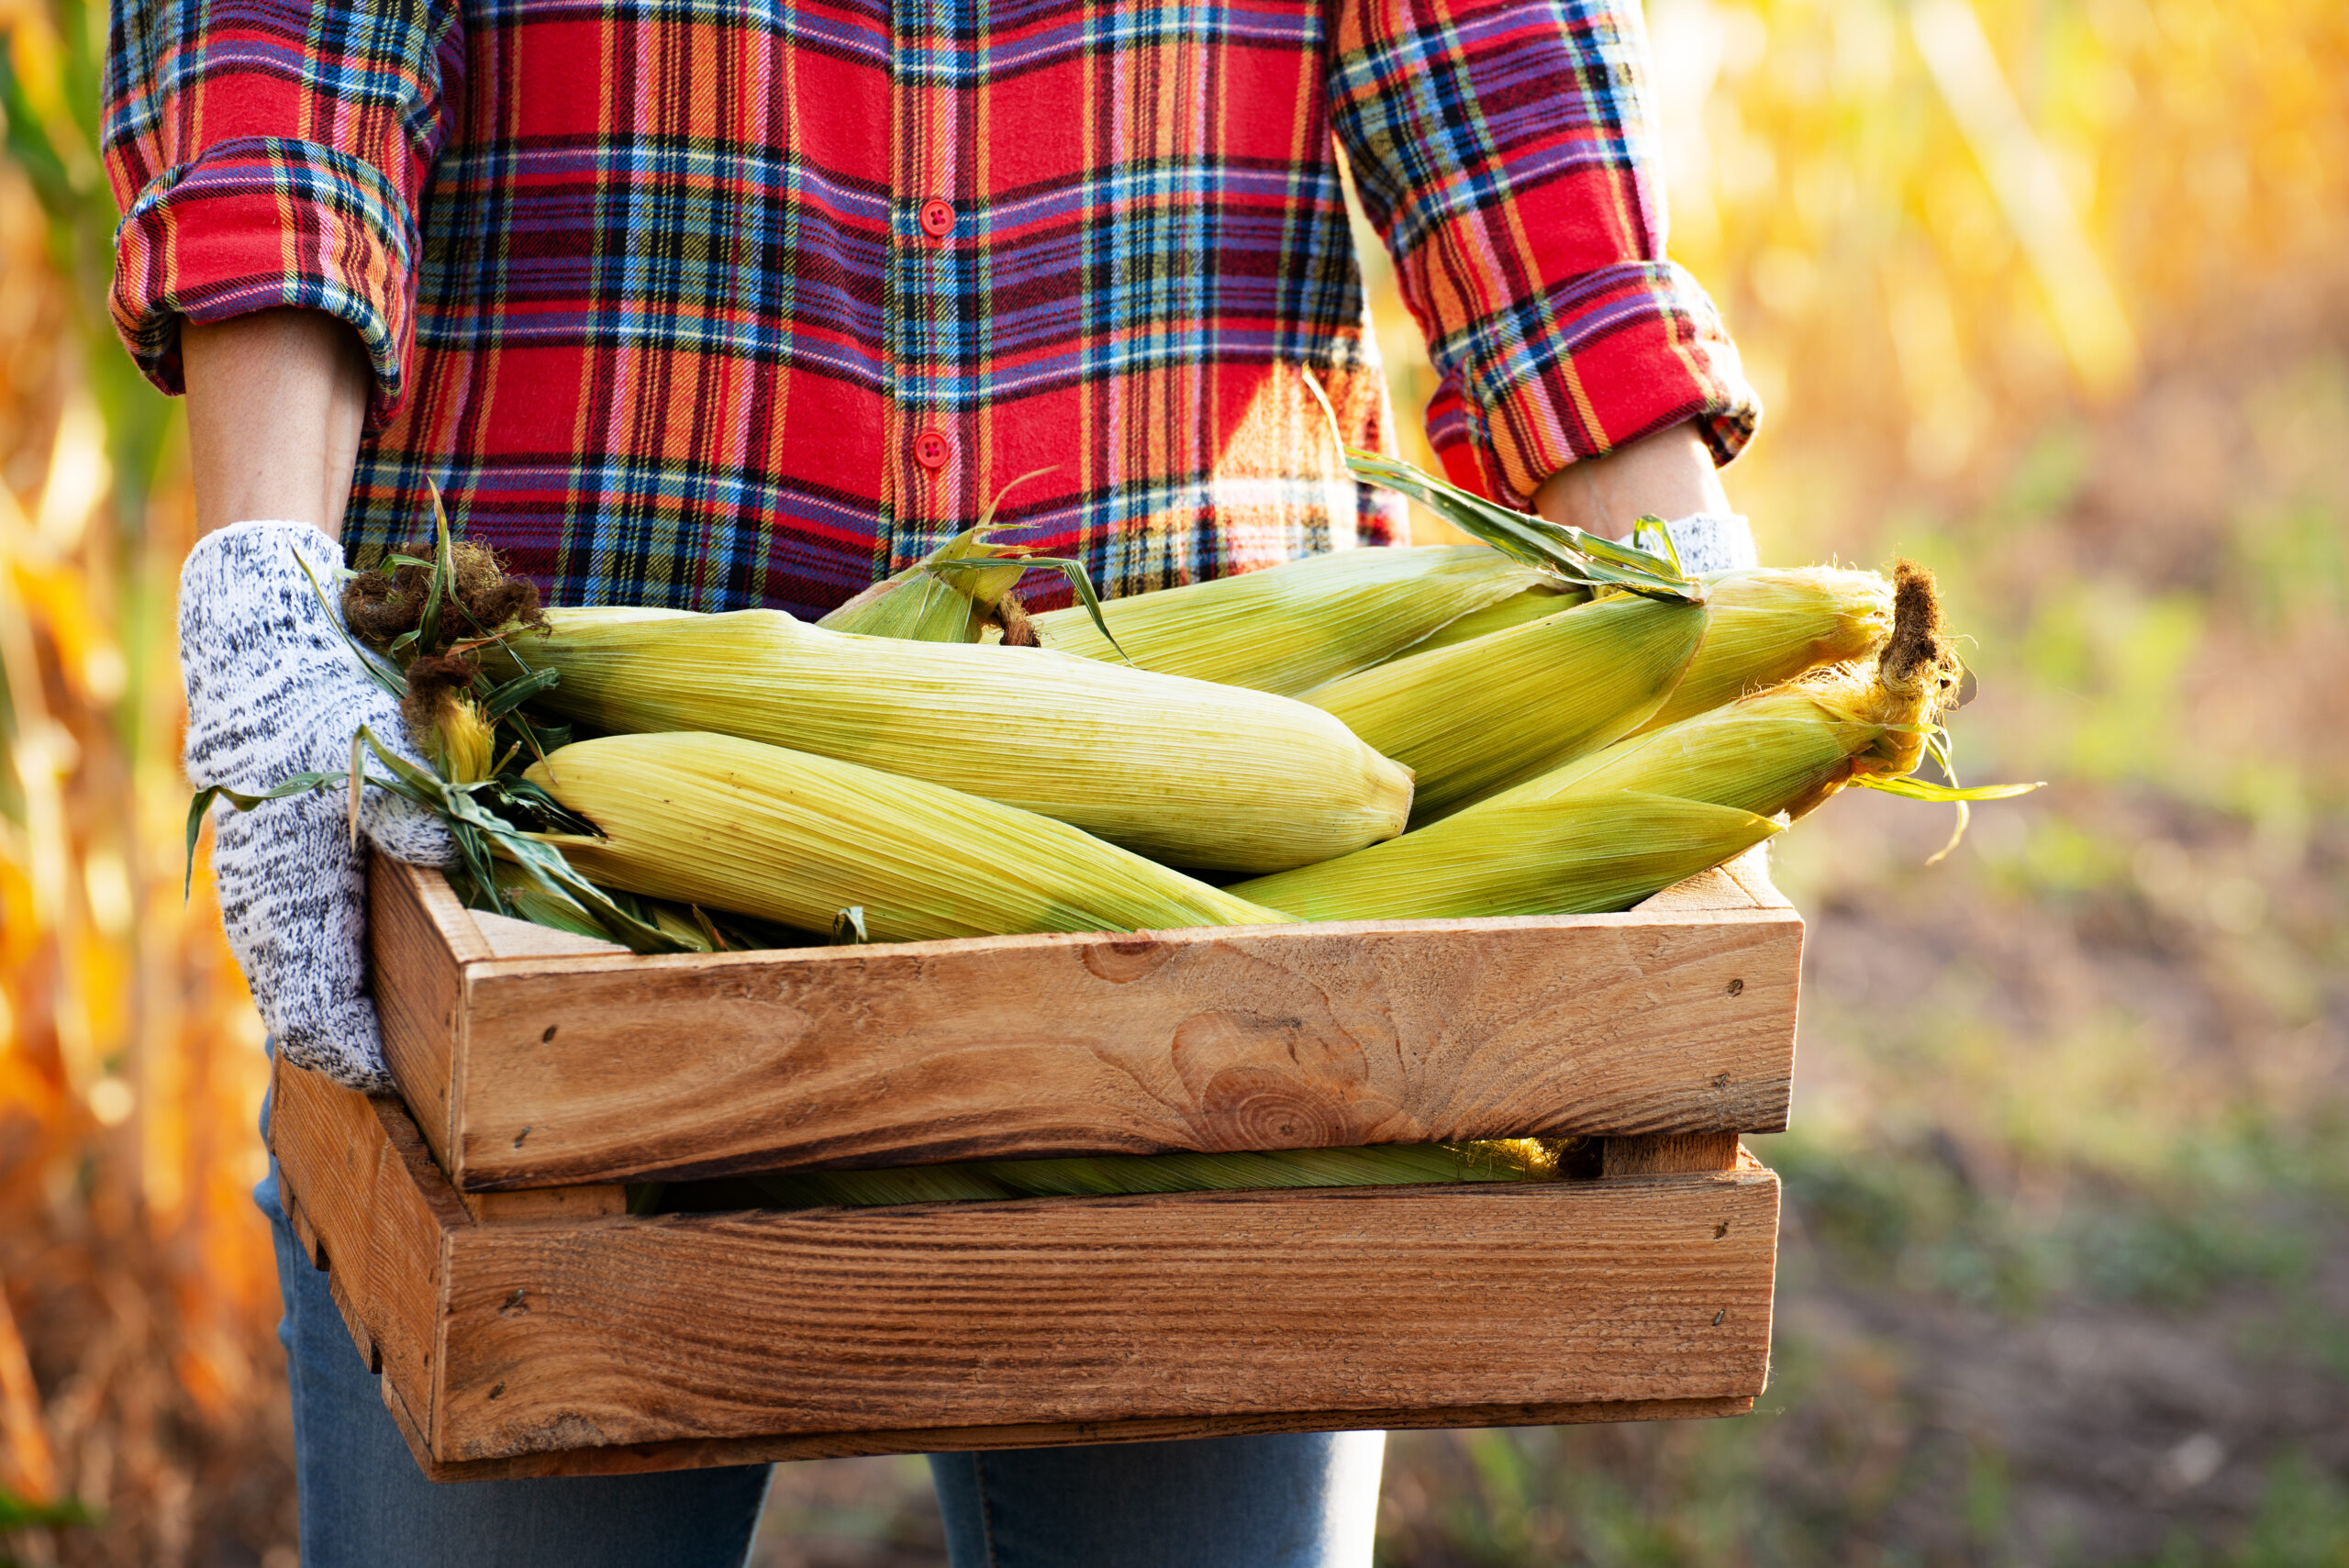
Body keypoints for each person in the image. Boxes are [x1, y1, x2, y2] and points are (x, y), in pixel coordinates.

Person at [104, 0, 1760, 1558]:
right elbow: (283, 48)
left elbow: (1500, 64)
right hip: (547, 808)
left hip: (1223, 837)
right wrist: (265, 574)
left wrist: (1682, 583)